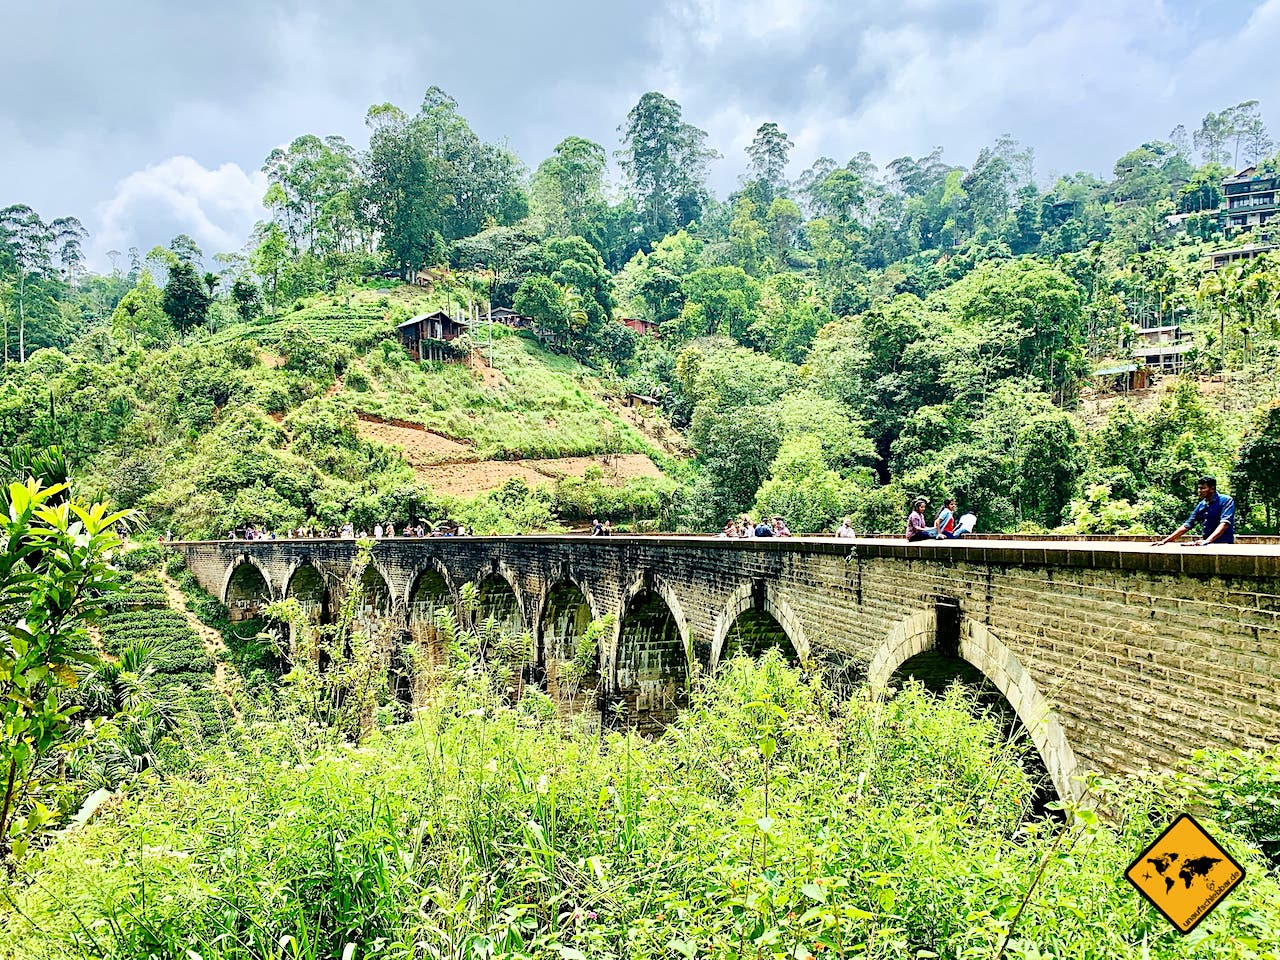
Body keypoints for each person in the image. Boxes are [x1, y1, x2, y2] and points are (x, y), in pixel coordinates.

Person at [1154, 476, 1236, 546]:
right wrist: (1165, 541)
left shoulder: (1226, 501)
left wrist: (1208, 541)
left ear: (1212, 489)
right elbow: (1187, 525)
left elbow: (1225, 523)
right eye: (1199, 488)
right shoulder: (1201, 505)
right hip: (1206, 544)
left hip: (1223, 544)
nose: (1199, 491)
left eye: (1203, 488)